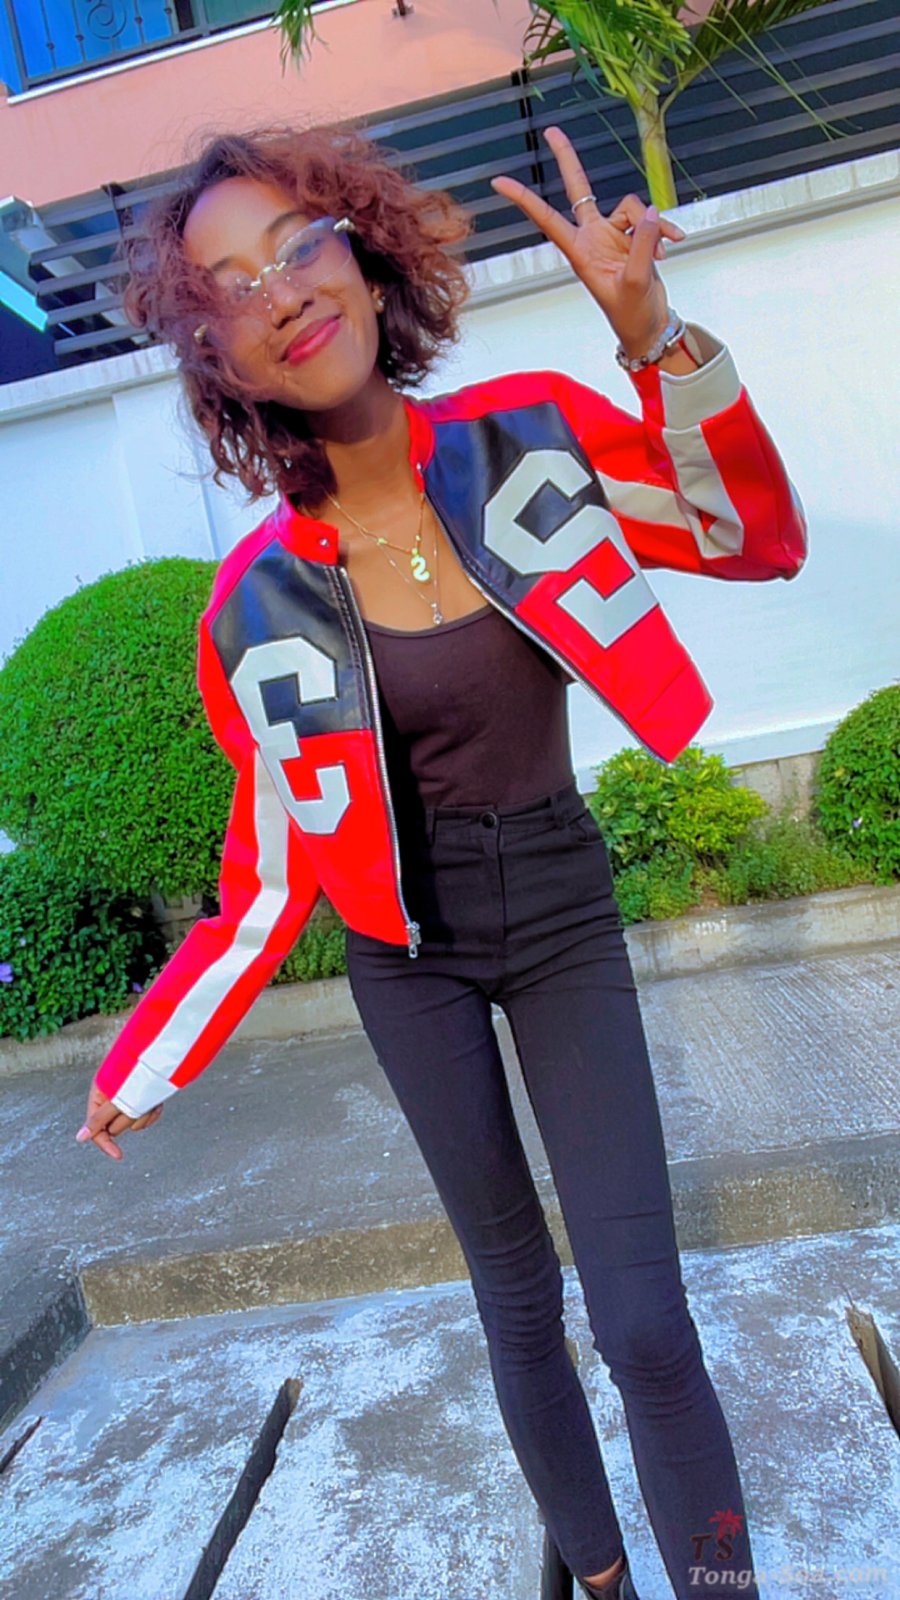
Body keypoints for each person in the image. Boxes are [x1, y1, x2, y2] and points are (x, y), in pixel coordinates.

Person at [75, 118, 807, 1598]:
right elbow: (265, 881)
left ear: (361, 254)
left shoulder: (528, 440)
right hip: (404, 960)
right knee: (517, 1300)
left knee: (643, 1318)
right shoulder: (253, 607)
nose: (281, 292)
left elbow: (748, 535)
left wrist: (654, 339)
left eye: (297, 246)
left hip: (561, 906)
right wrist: (145, 1062)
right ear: (220, 357)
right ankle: (598, 1576)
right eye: (230, 287)